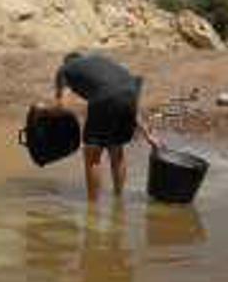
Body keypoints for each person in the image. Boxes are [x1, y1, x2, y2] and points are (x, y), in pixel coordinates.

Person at [54, 52, 160, 200]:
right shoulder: (99, 60)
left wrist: (48, 116)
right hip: (130, 94)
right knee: (116, 151)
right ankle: (118, 200)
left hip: (105, 97)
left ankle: (92, 207)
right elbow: (124, 97)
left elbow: (63, 104)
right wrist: (148, 135)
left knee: (92, 155)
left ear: (67, 62)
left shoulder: (65, 70)